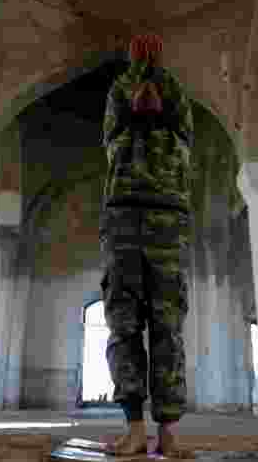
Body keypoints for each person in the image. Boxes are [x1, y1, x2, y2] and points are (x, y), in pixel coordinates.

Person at [100, 33, 194, 457]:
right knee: (123, 325)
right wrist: (137, 72)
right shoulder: (119, 91)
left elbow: (179, 124)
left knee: (167, 328)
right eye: (138, 51)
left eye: (150, 50)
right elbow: (116, 126)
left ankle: (168, 433)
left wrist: (155, 73)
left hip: (168, 220)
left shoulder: (175, 95)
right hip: (122, 217)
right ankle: (135, 428)